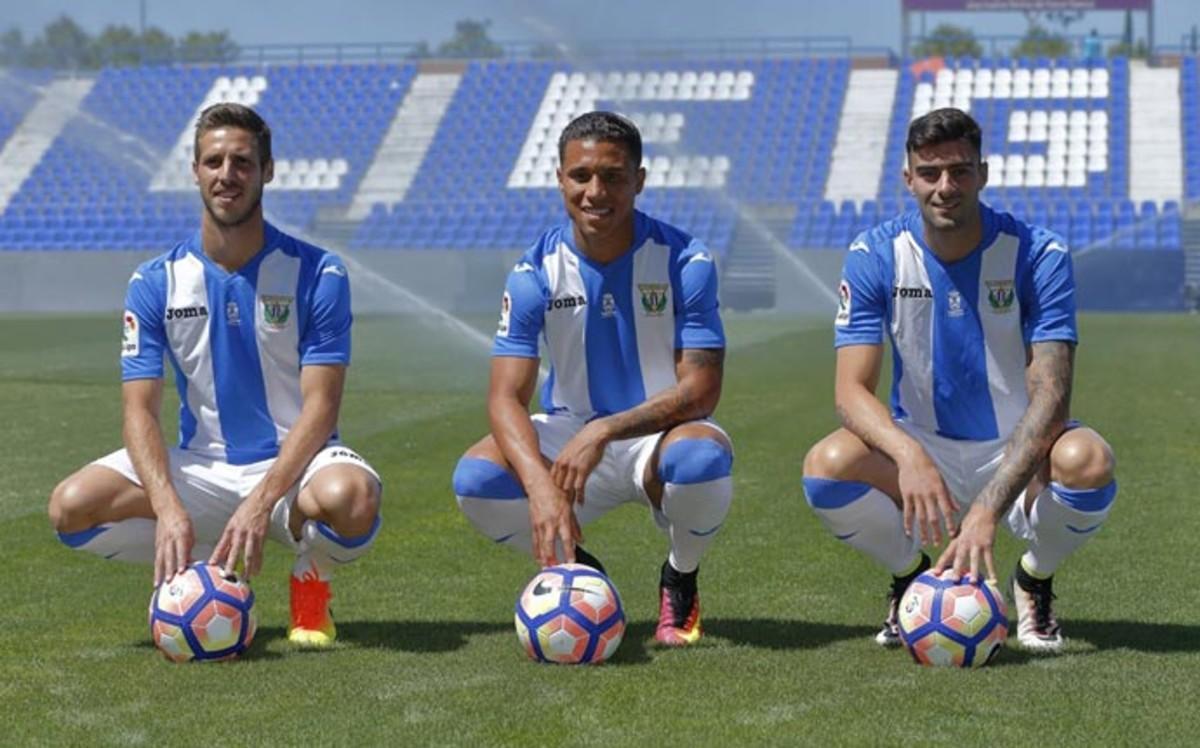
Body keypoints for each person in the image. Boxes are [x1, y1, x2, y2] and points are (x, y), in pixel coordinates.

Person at [47, 103, 382, 649]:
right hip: (202, 467)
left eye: (243, 162)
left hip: (294, 470)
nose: (228, 174)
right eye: (214, 161)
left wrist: (258, 503)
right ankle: (200, 564)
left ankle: (311, 576)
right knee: (71, 507)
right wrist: (168, 506)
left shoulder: (319, 273)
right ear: (196, 170)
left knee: (353, 498)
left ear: (267, 171)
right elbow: (138, 410)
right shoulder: (156, 281)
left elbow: (322, 408)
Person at [801, 107, 1117, 653]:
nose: (945, 187)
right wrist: (908, 455)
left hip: (1016, 444)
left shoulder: (1039, 254)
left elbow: (1052, 398)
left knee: (1088, 461)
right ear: (909, 179)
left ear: (983, 174)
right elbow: (850, 392)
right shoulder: (874, 254)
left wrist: (986, 511)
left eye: (960, 171)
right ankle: (909, 580)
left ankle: (1033, 580)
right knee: (826, 468)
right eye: (930, 173)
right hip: (922, 444)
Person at [452, 111, 733, 647]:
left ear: (639, 181)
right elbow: (505, 396)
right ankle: (581, 574)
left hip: (656, 434)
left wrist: (603, 431)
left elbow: (701, 391)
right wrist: (539, 486)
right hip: (568, 431)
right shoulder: (534, 270)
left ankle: (681, 575)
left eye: (613, 176)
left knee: (701, 461)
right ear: (560, 178)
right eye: (580, 176)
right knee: (476, 479)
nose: (595, 191)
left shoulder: (685, 260)